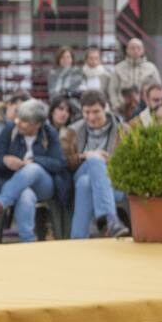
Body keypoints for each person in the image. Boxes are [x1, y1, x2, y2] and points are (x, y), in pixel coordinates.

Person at [0, 99, 70, 243]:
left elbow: (60, 163)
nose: (19, 122)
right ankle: (27, 241)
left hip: (44, 185)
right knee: (25, 195)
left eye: (24, 121)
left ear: (36, 125)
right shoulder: (10, 130)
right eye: (19, 118)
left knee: (33, 168)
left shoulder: (49, 133)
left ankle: (0, 204)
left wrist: (35, 160)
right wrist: (5, 161)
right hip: (16, 185)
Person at [63, 90, 131, 239]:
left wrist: (109, 160)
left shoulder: (123, 130)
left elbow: (130, 161)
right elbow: (65, 161)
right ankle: (111, 219)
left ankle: (77, 239)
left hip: (114, 182)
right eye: (87, 112)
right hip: (82, 170)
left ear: (105, 108)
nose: (91, 117)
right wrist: (84, 156)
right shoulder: (72, 131)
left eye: (96, 111)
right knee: (94, 159)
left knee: (85, 184)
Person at [107, 39, 162, 105]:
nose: (135, 51)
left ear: (143, 50)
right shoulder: (118, 68)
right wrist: (116, 104)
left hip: (146, 107)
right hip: (124, 108)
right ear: (127, 50)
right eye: (132, 48)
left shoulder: (151, 68)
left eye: (138, 48)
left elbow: (158, 87)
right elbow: (112, 90)